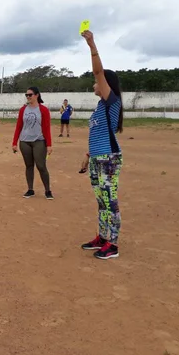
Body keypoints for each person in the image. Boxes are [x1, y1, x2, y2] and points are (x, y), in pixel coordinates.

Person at [79, 29, 124, 261]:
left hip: (108, 159)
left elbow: (97, 71)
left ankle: (113, 244)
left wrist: (92, 45)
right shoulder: (99, 107)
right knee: (100, 200)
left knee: (110, 199)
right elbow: (96, 133)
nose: (94, 83)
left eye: (98, 81)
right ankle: (103, 236)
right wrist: (88, 155)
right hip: (97, 157)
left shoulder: (110, 101)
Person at [11, 87, 54, 200]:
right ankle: (30, 189)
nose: (28, 97)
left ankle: (47, 190)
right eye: (27, 95)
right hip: (25, 141)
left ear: (37, 95)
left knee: (41, 165)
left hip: (39, 140)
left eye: (30, 94)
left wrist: (49, 144)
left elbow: (46, 128)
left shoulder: (43, 110)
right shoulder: (23, 110)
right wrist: (14, 142)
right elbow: (19, 126)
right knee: (29, 166)